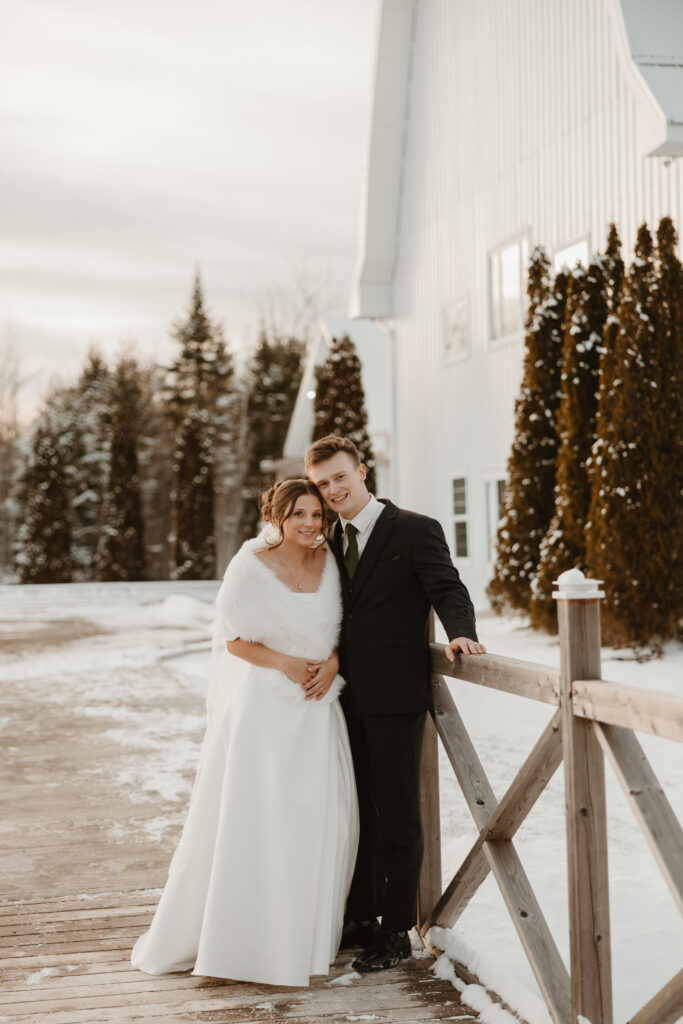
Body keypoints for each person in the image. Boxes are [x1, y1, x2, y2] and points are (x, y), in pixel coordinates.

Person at [131, 479, 359, 987]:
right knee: (261, 819)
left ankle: (301, 939)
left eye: (317, 516)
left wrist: (333, 662)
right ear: (276, 516)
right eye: (299, 514)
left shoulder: (332, 563)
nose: (309, 524)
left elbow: (344, 630)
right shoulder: (250, 565)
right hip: (266, 713)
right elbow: (233, 641)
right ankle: (246, 940)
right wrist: (285, 662)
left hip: (318, 710)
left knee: (319, 822)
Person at [305, 436, 485, 972]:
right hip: (339, 699)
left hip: (395, 698)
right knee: (353, 809)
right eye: (323, 484)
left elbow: (447, 587)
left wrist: (461, 632)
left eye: (340, 477)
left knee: (398, 816)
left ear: (363, 471)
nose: (333, 490)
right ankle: (358, 916)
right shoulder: (327, 541)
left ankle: (396, 929)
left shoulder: (415, 529)